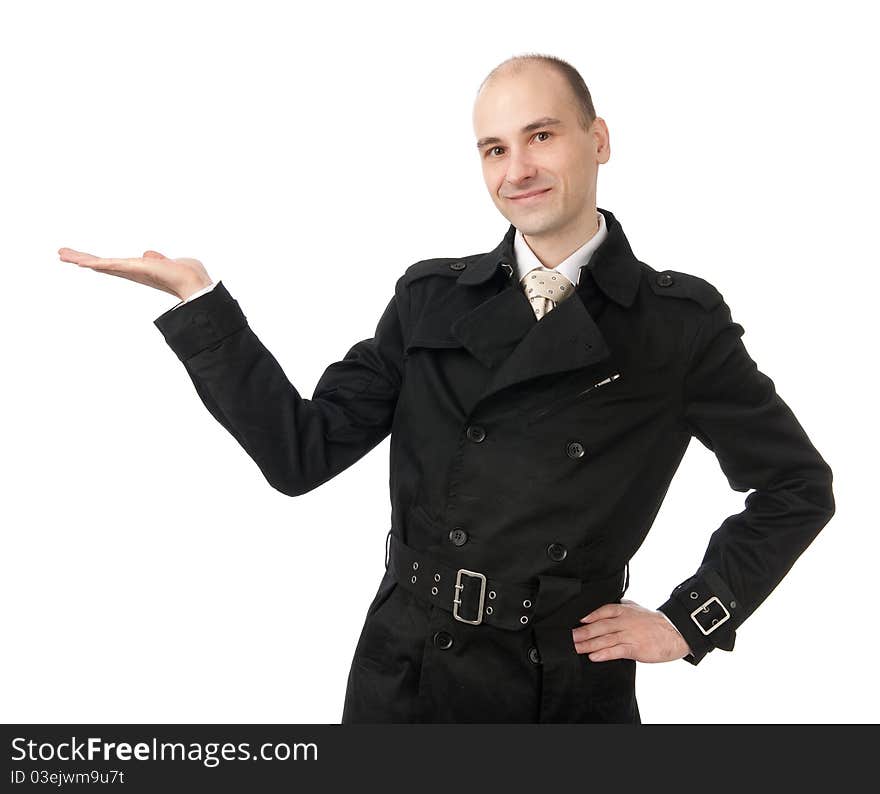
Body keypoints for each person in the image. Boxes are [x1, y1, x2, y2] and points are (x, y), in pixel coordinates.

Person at [58, 53, 835, 723]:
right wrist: (201, 305)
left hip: (559, 690)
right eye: (493, 148)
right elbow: (300, 455)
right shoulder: (433, 300)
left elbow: (797, 486)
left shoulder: (675, 324)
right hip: (405, 673)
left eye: (541, 135)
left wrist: (688, 621)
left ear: (597, 140)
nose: (517, 169)